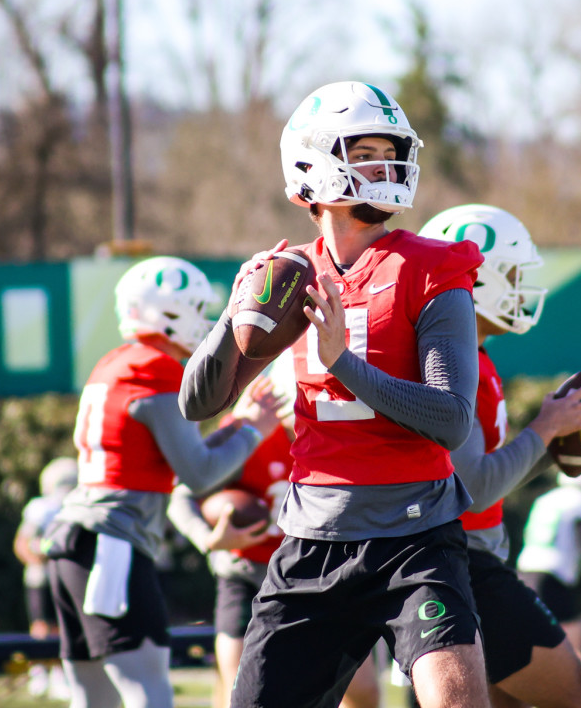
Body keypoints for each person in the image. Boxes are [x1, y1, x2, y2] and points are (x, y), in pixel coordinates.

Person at [180, 81, 491, 708]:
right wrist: (232, 314)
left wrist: (340, 362)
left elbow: (452, 418)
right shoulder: (288, 276)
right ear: (313, 163)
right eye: (368, 150)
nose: (389, 165)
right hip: (311, 540)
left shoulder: (433, 266)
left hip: (417, 537)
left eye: (392, 150)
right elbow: (198, 402)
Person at [42, 256, 281, 708]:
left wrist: (239, 425)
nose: (203, 319)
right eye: (194, 307)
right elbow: (200, 473)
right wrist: (253, 431)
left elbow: (182, 456)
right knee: (148, 692)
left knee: (93, 697)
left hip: (76, 540)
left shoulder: (116, 362)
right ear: (168, 313)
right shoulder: (157, 367)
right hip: (112, 544)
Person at [418, 203, 581, 708]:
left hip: (462, 558)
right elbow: (474, 487)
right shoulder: (452, 362)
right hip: (460, 564)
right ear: (476, 280)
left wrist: (552, 445)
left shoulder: (472, 354)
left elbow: (480, 477)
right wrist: (546, 430)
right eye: (511, 274)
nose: (521, 288)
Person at [169, 351, 381, 708]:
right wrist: (209, 539)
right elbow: (181, 495)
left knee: (362, 690)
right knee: (240, 684)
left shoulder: (339, 437)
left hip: (318, 570)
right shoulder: (247, 431)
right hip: (248, 572)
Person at [517, 455, 581, 658]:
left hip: (525, 573)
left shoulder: (546, 499)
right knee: (576, 652)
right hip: (554, 577)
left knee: (533, 651)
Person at [14, 457, 78, 700]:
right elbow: (22, 544)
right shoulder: (41, 507)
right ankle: (39, 671)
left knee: (65, 625)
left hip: (67, 574)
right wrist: (42, 555)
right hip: (41, 576)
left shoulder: (76, 505)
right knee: (42, 625)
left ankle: (61, 675)